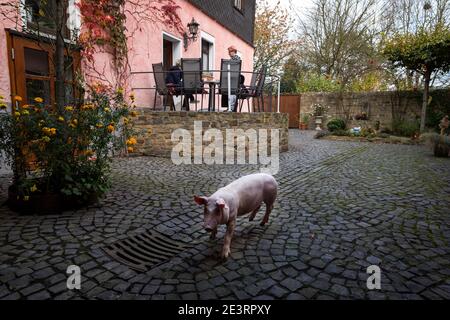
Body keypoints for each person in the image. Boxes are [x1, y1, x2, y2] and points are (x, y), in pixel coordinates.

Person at [223, 46, 245, 112]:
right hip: (234, 80)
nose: (228, 54)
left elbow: (230, 69)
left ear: (234, 52)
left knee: (230, 91)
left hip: (234, 80)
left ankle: (231, 108)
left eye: (229, 52)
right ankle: (230, 107)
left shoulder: (235, 59)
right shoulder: (235, 59)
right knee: (227, 90)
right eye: (228, 52)